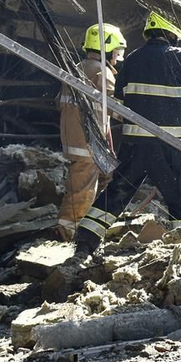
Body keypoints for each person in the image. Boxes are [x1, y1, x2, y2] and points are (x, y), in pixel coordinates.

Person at [75, 11, 181, 248]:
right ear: (172, 31)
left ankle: (85, 239)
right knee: (180, 195)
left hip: (135, 143)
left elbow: (122, 102)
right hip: (172, 144)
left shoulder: (133, 59)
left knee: (118, 191)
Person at [56, 23, 125, 240]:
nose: (117, 58)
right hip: (87, 143)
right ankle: (68, 233)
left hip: (77, 139)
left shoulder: (78, 67)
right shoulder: (102, 72)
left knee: (105, 179)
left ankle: (93, 225)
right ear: (106, 49)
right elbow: (115, 107)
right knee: (82, 190)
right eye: (116, 52)